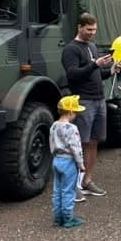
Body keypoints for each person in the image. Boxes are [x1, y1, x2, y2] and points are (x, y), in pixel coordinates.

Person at [62, 13, 121, 199]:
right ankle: (74, 185)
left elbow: (94, 74)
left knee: (94, 141)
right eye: (89, 29)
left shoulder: (92, 47)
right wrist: (95, 64)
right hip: (83, 100)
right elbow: (72, 75)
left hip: (99, 99)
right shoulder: (71, 49)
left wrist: (109, 71)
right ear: (79, 27)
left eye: (94, 30)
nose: (92, 33)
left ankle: (87, 180)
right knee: (80, 143)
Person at [49, 95, 87, 229]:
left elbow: (52, 144)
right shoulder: (72, 129)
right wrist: (81, 164)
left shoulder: (54, 126)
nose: (76, 114)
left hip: (57, 160)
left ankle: (57, 217)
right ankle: (68, 218)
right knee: (68, 190)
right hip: (69, 162)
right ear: (70, 112)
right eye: (75, 112)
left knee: (57, 190)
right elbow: (76, 148)